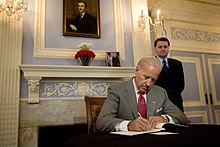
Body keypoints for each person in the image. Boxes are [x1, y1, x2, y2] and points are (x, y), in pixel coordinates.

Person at [96, 57, 189, 132]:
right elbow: (101, 122)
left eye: (153, 80)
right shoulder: (117, 90)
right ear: (136, 70)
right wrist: (129, 125)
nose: (148, 84)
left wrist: (164, 118)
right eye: (146, 77)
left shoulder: (160, 92)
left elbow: (182, 117)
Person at [154, 37, 185, 112]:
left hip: (176, 102)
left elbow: (181, 84)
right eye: (160, 47)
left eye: (165, 47)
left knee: (179, 123)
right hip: (158, 103)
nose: (163, 49)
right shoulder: (151, 63)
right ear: (155, 48)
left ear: (168, 48)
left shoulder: (177, 64)